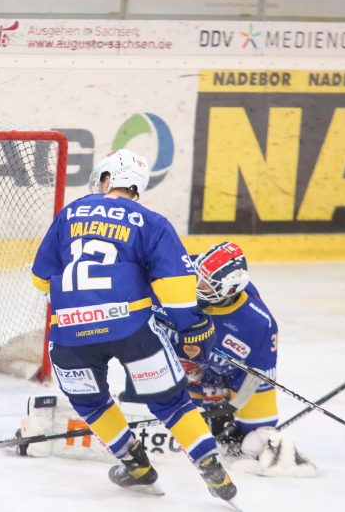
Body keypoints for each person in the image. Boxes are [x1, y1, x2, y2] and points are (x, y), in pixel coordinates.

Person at [30, 149, 237, 501]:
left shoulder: (69, 214)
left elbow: (40, 279)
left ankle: (136, 466)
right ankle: (211, 466)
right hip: (131, 330)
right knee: (171, 403)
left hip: (69, 333)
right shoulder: (151, 222)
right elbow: (175, 288)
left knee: (92, 404)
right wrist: (192, 326)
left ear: (107, 178)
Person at [174, 242, 316, 476]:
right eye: (197, 277)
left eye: (206, 285)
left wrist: (233, 406)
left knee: (256, 435)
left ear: (228, 289)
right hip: (179, 369)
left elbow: (259, 376)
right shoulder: (182, 270)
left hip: (223, 380)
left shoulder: (258, 324)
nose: (196, 286)